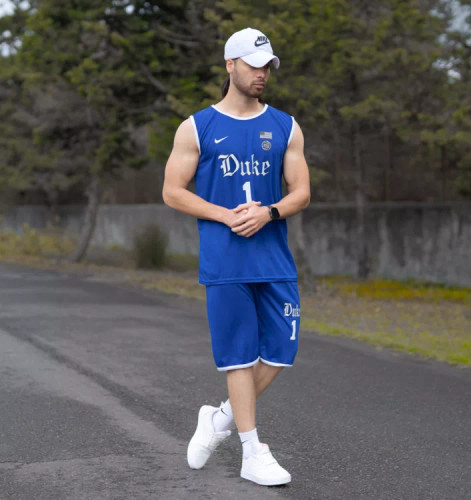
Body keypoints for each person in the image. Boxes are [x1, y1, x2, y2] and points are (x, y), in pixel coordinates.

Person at [162, 27, 310, 487]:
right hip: (225, 260)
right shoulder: (197, 127)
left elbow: (301, 193)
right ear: (230, 65)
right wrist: (226, 216)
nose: (262, 73)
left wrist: (270, 212)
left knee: (281, 351)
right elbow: (172, 191)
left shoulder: (285, 126)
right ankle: (251, 451)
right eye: (253, 64)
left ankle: (219, 418)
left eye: (268, 66)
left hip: (274, 258)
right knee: (239, 358)